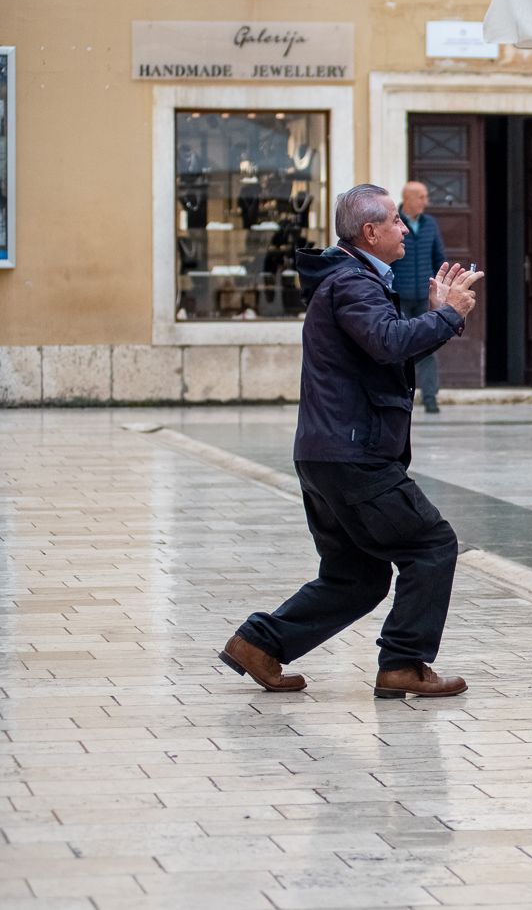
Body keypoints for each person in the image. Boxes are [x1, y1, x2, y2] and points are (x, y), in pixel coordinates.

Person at [220, 184, 483, 699]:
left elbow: (383, 348)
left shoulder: (351, 280)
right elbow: (388, 343)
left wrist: (438, 317)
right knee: (432, 545)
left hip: (329, 453)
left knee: (356, 577)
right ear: (369, 231)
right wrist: (448, 314)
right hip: (354, 455)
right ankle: (403, 664)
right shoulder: (352, 284)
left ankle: (259, 644)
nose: (404, 229)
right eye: (395, 221)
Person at [390, 181, 447, 413]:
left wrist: (437, 288)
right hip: (399, 297)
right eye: (421, 197)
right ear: (407, 198)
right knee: (398, 347)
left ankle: (430, 397)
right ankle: (398, 396)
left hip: (424, 296)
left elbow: (438, 257)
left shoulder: (430, 224)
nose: (426, 202)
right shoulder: (393, 223)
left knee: (428, 347)